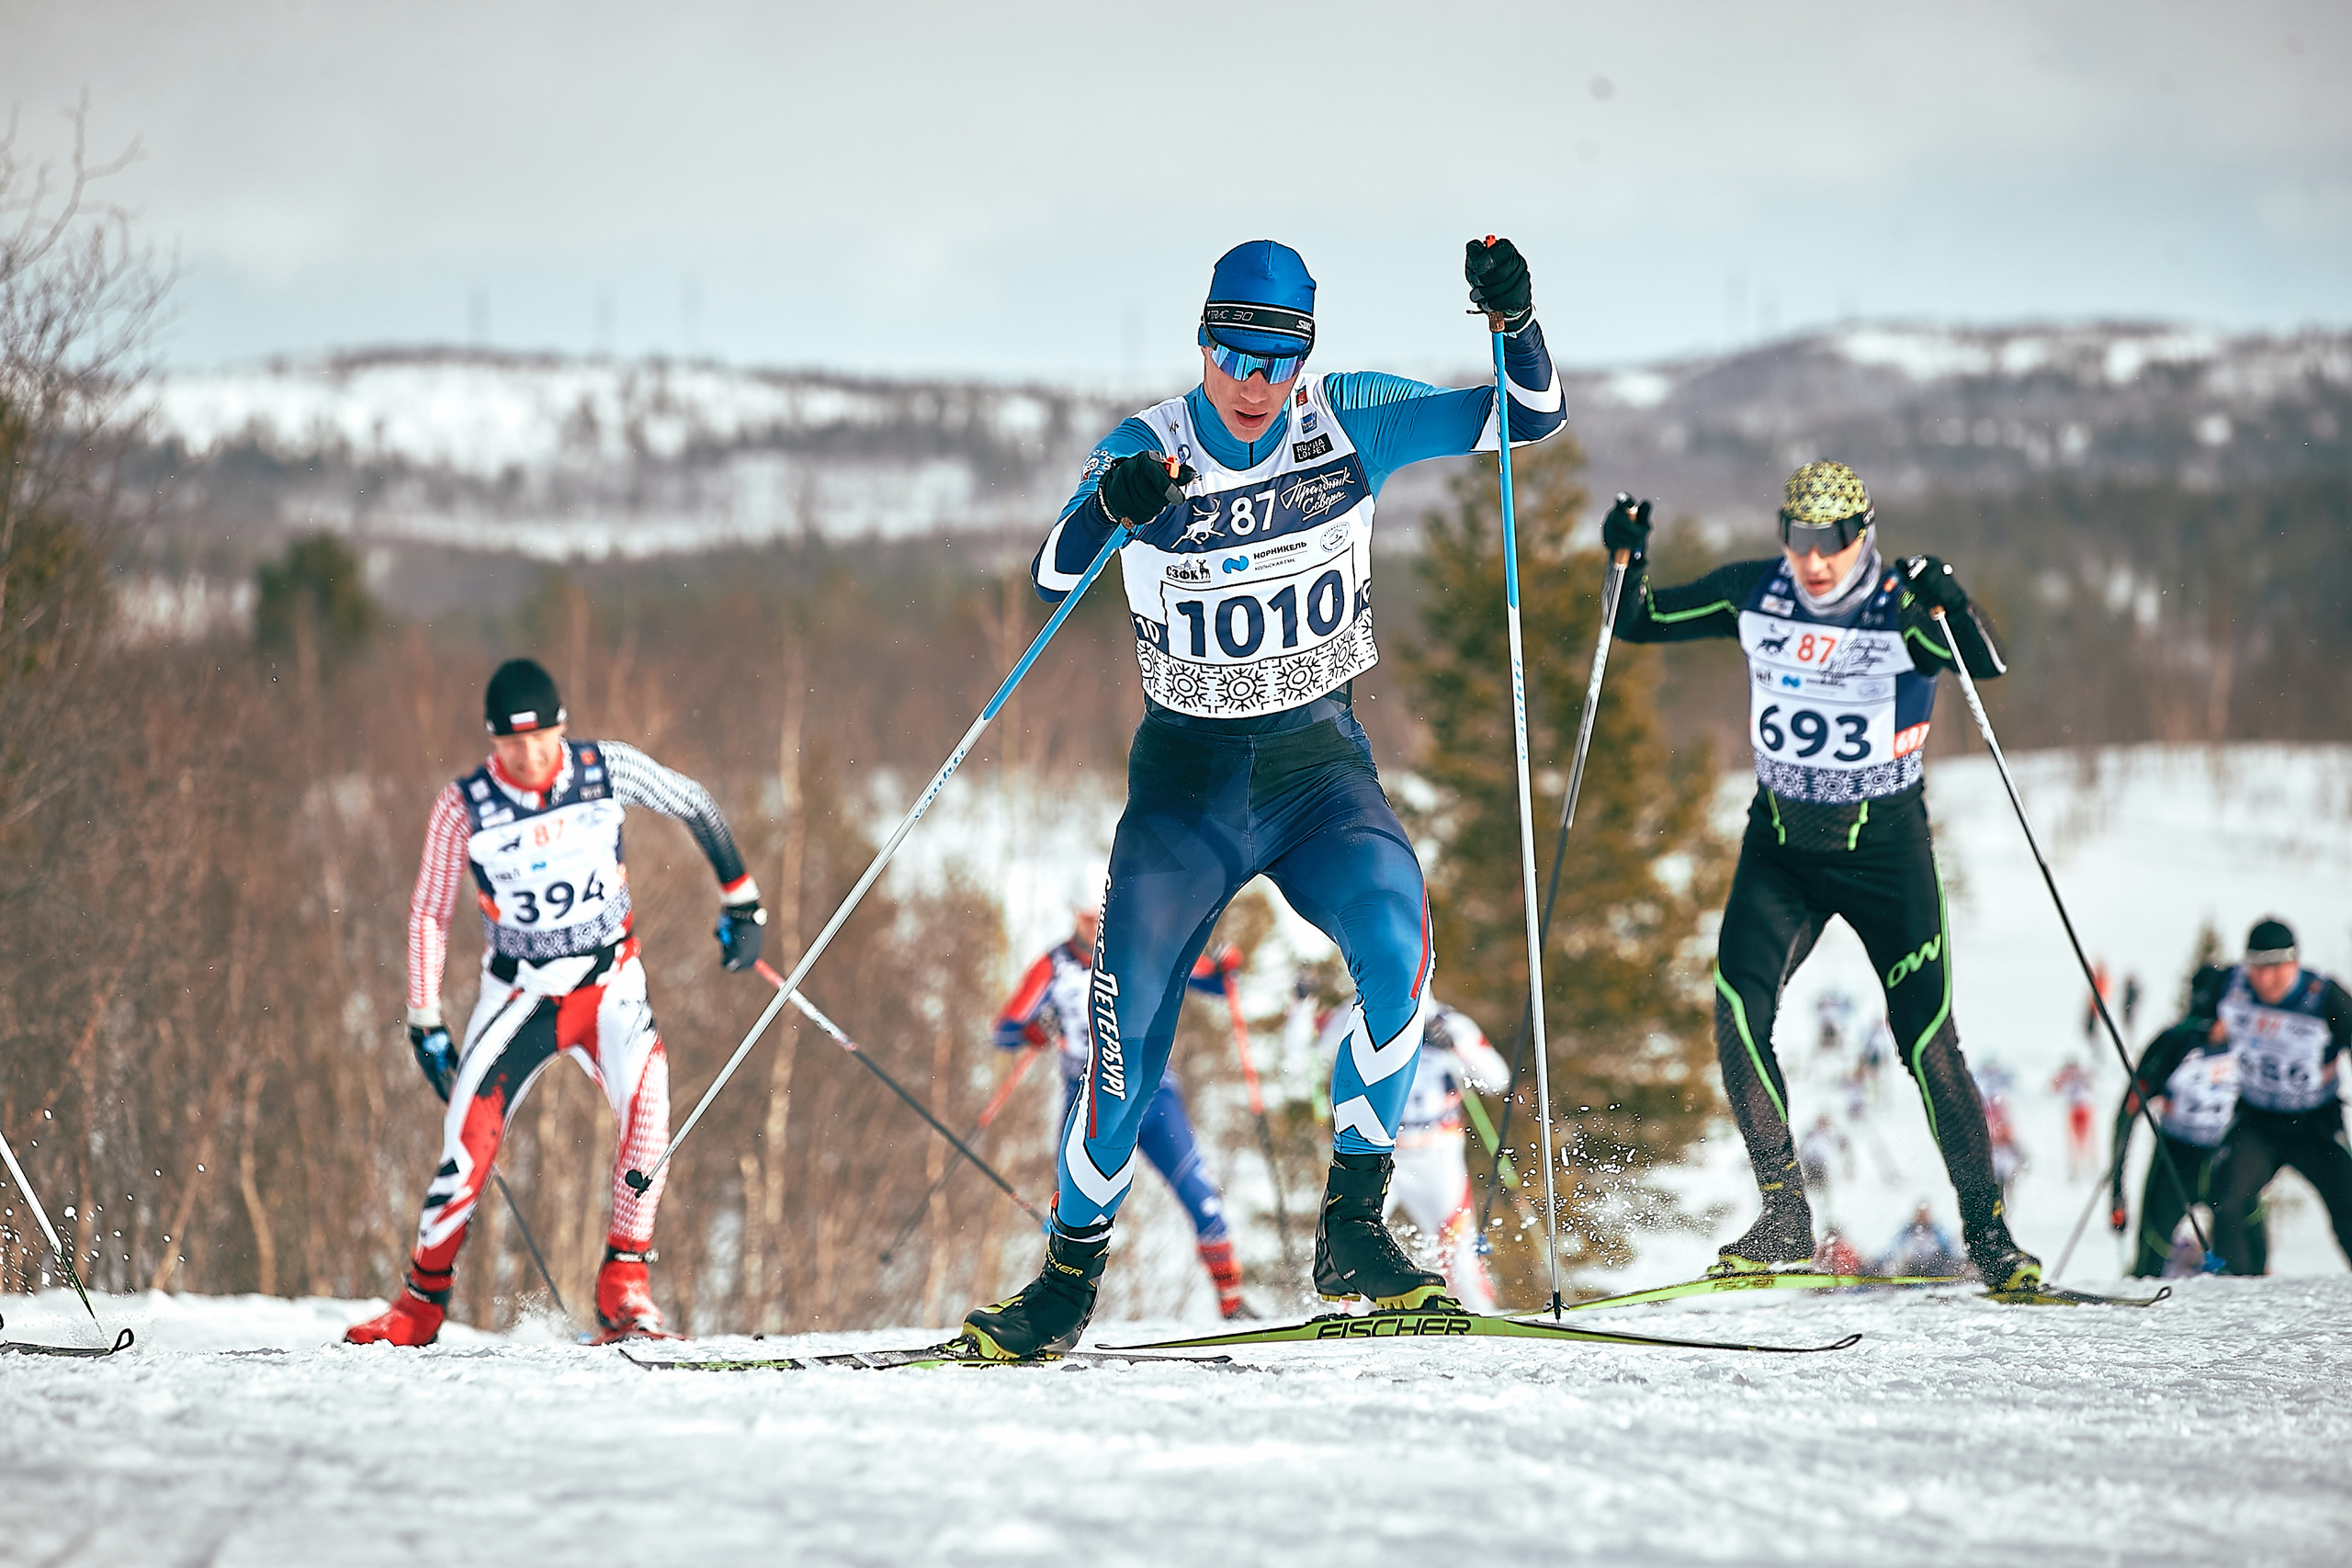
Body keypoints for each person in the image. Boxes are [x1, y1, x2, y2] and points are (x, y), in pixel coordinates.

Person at [959, 235, 1567, 1359]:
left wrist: (1515, 321)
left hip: (1316, 773)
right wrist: (1111, 505)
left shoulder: (1350, 420)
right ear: (1203, 342)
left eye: (1276, 360)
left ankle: (1353, 1231)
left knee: (1398, 949)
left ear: (1304, 357)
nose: (1253, 382)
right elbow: (1050, 573)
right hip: (1186, 793)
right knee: (1125, 1050)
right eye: (1233, 355)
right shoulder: (1149, 446)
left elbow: (1528, 418)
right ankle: (1063, 1284)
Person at [1603, 461, 2041, 1290]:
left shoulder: (1900, 609)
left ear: (1862, 536)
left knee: (1928, 1043)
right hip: (1782, 850)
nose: (1812, 558)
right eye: (1798, 537)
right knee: (1738, 1012)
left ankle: (1989, 1236)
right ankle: (1783, 1214)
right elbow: (1639, 620)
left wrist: (1952, 598)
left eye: (1832, 540)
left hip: (1885, 855)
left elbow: (1985, 663)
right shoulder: (1756, 592)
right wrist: (1627, 556)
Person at [346, 659, 765, 1346]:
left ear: (561, 728)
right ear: (493, 743)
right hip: (521, 994)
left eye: (540, 739)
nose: (529, 757)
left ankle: (624, 1288)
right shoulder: (463, 805)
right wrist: (424, 1016)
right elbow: (429, 910)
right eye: (512, 745)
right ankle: (419, 1306)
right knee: (468, 1145)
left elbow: (693, 800)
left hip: (609, 984)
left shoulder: (605, 769)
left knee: (650, 1111)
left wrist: (740, 896)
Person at [994, 907, 1248, 1317]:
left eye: (1100, 911)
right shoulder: (1053, 965)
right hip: (1088, 1099)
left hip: (1153, 1094)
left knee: (1198, 1192)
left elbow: (1219, 985)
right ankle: (1061, 1306)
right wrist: (1036, 1028)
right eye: (1085, 915)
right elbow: (1004, 1031)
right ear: (1074, 916)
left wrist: (1227, 964)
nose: (1095, 922)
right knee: (1075, 1209)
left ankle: (1233, 1305)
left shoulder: (1144, 950)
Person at [1329, 999, 1510, 1313]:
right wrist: (1302, 1006)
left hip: (1437, 1155)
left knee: (1458, 1245)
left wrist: (1455, 1047)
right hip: (1376, 1154)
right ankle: (1341, 1315)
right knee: (1350, 1235)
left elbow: (1499, 1081)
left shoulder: (1450, 1023)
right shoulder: (1356, 1012)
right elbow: (1304, 1050)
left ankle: (1480, 1315)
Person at [2209, 919, 2352, 1273]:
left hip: (2315, 1124)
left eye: (2276, 968)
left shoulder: (2325, 996)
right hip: (2257, 1120)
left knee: (2347, 1204)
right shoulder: (2229, 985)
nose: (2266, 979)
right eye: (2257, 968)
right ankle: (2234, 1288)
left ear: (2295, 963)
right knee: (2226, 1200)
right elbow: (2189, 1028)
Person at [2109, 964, 2263, 1278]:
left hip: (2230, 1159)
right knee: (2149, 1264)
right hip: (2176, 1160)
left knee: (2251, 1263)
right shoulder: (2174, 1043)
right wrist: (2117, 1192)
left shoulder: (2253, 1041)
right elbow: (2127, 1115)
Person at [2052, 1059, 2096, 1179]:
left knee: (2085, 1139)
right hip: (2076, 1109)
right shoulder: (2068, 1076)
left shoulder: (2080, 1074)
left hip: (2082, 1108)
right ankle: (2077, 1167)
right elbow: (2054, 1087)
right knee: (2074, 1140)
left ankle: (2088, 1166)